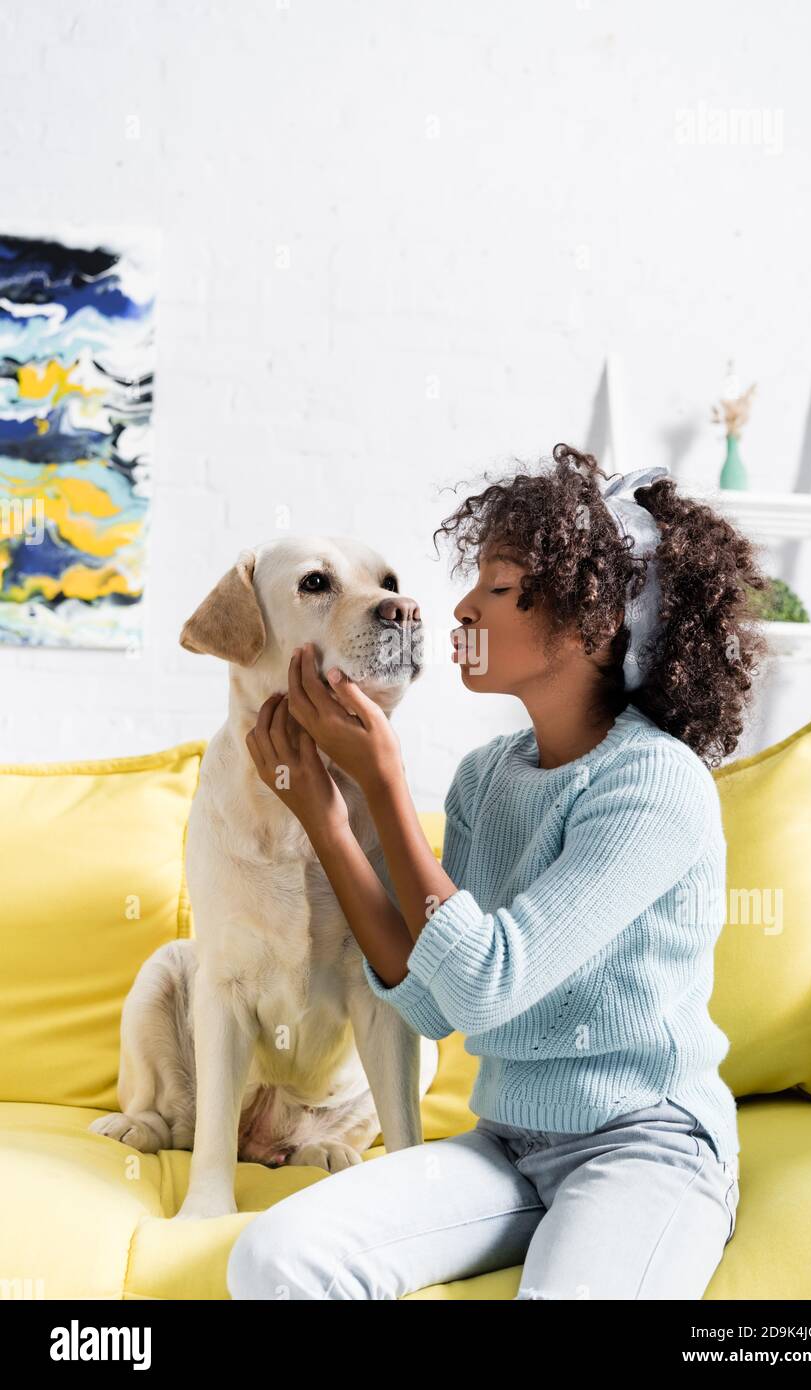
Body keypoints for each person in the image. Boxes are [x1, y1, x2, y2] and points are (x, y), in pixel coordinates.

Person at [227, 442, 770, 1300]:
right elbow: (437, 1001)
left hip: (645, 1148)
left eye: (498, 587)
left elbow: (488, 982)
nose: (460, 609)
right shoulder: (488, 775)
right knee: (275, 1259)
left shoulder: (655, 785)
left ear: (592, 625)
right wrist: (326, 820)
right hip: (510, 1142)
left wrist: (383, 779)